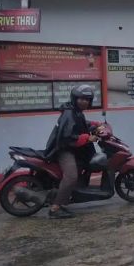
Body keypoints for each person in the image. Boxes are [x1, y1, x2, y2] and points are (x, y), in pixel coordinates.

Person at [44, 85, 101, 219]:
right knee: (71, 176)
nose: (84, 102)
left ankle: (66, 194)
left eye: (87, 99)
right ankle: (55, 208)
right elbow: (67, 137)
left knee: (82, 164)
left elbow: (80, 124)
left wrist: (96, 124)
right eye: (81, 99)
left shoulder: (76, 111)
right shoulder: (69, 113)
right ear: (75, 99)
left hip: (71, 148)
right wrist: (88, 138)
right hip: (63, 149)